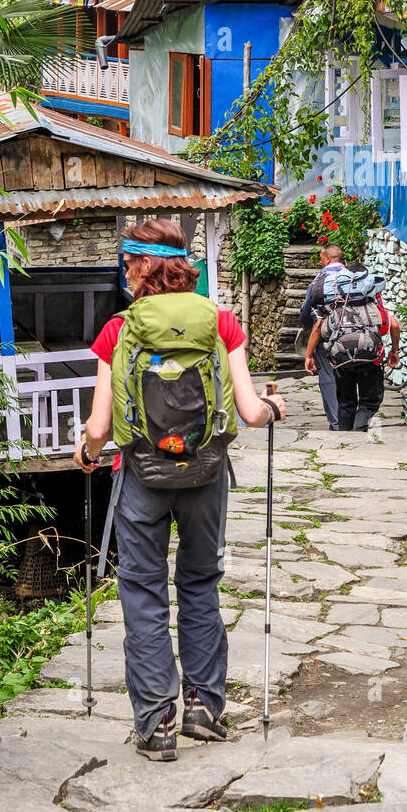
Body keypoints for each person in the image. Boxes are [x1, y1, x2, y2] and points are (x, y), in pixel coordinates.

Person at [75, 218, 285, 761]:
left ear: (141, 267)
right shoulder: (221, 322)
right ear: (182, 265)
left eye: (127, 264)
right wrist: (272, 407)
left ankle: (157, 722)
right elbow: (249, 412)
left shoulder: (118, 330)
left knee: (142, 591)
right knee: (199, 582)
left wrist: (87, 453)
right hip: (206, 474)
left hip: (140, 474)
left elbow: (99, 427)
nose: (125, 273)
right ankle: (202, 706)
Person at [304, 261, 400, 432]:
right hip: (371, 359)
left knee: (346, 402)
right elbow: (392, 325)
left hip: (341, 358)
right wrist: (394, 351)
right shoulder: (373, 298)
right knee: (369, 402)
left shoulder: (335, 298)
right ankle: (357, 434)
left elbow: (319, 327)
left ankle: (343, 437)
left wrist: (309, 355)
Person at [299, 243, 346, 430]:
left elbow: (307, 314)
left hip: (327, 337)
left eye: (321, 258)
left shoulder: (320, 280)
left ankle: (337, 423)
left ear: (327, 258)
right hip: (356, 337)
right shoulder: (353, 278)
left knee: (328, 377)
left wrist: (309, 352)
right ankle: (353, 420)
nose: (320, 261)